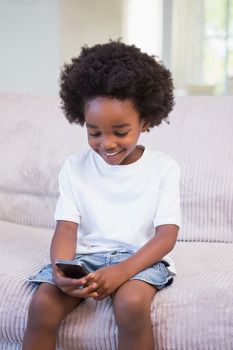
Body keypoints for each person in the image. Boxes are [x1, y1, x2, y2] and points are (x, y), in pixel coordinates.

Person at [22, 40, 181, 350]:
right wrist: (61, 266)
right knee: (43, 303)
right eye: (94, 132)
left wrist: (123, 270)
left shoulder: (163, 168)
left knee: (131, 303)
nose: (106, 143)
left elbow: (166, 236)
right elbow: (66, 228)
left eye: (120, 131)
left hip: (139, 260)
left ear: (144, 122)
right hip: (83, 259)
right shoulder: (74, 167)